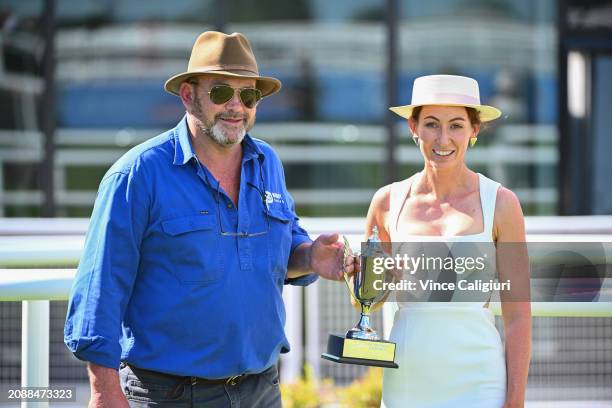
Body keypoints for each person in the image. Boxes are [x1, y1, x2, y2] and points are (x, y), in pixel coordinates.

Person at [64, 31, 352, 408]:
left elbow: (283, 251)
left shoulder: (268, 163)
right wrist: (103, 390)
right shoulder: (137, 175)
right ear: (188, 95)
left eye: (248, 96)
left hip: (262, 389)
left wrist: (310, 256)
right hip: (169, 395)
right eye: (220, 93)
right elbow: (100, 289)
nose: (236, 106)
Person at [363, 75, 532, 407]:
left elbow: (518, 316)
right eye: (431, 124)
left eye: (456, 125)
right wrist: (361, 275)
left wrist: (515, 401)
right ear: (413, 127)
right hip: (407, 379)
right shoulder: (386, 202)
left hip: (480, 380)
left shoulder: (501, 203)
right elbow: (367, 301)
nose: (443, 139)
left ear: (475, 130)